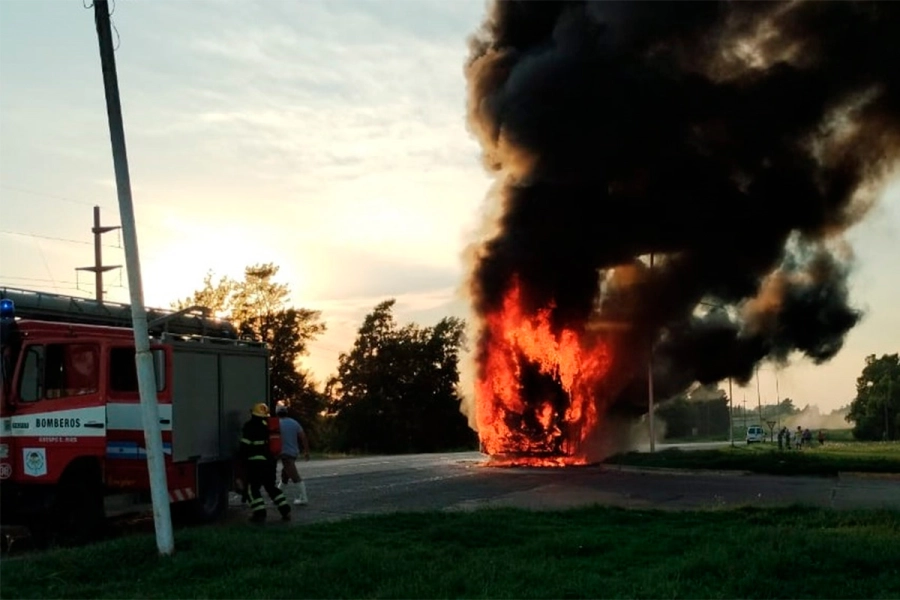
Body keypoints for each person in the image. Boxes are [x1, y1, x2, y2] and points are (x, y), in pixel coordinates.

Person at [239, 403, 291, 523]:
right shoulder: (269, 426)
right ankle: (285, 510)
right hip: (270, 462)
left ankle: (259, 514)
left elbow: (245, 445)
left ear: (253, 413)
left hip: (255, 463)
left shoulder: (250, 426)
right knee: (271, 487)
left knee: (252, 489)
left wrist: (240, 457)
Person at [276, 405, 310, 505]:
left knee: (295, 476)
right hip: (293, 452)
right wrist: (306, 451)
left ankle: (304, 498)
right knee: (285, 475)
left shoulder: (276, 424)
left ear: (277, 413)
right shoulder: (294, 423)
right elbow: (303, 437)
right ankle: (278, 495)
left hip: (284, 453)